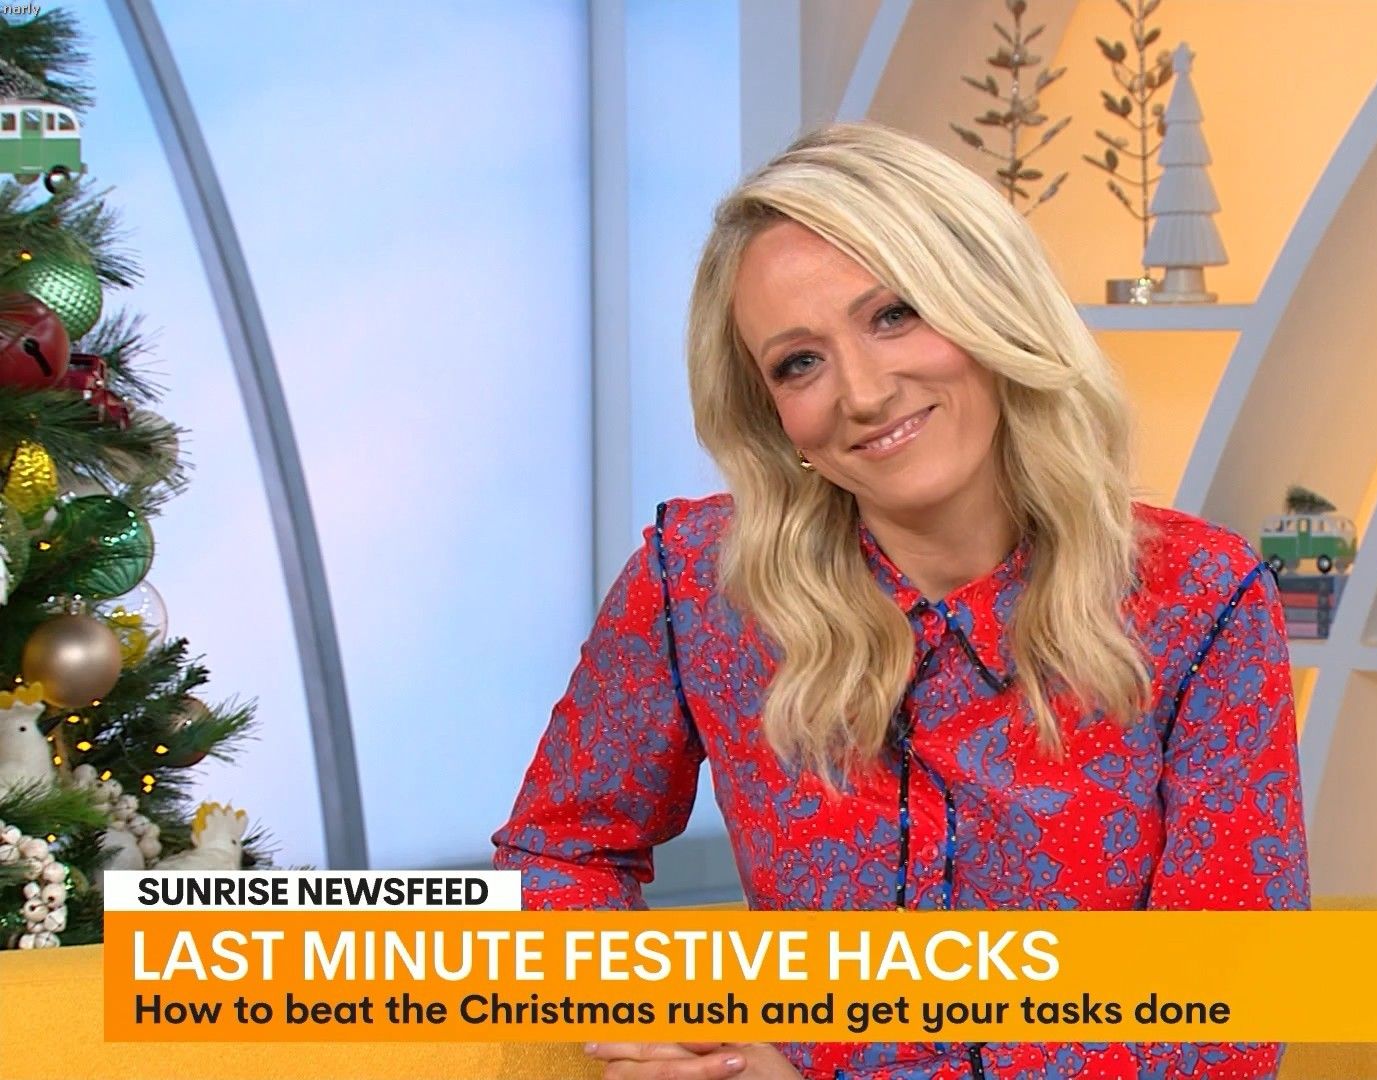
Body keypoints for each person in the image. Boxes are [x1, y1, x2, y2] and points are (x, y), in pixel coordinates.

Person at [493, 121, 1309, 1080]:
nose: (866, 392)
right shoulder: (696, 584)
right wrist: (669, 1021)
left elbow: (1226, 1020)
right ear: (775, 419)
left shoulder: (1200, 599)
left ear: (990, 307)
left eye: (894, 315)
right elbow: (558, 856)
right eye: (799, 363)